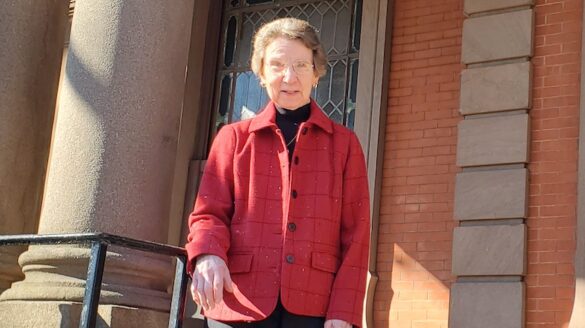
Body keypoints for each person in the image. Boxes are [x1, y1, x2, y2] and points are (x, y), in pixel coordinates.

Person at [185, 17, 370, 328]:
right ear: (260, 73)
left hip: (316, 307)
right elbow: (208, 215)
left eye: (300, 65)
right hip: (239, 302)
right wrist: (207, 254)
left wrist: (344, 312)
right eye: (277, 64)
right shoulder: (232, 138)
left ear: (316, 73)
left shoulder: (345, 145)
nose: (289, 76)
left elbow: (357, 235)